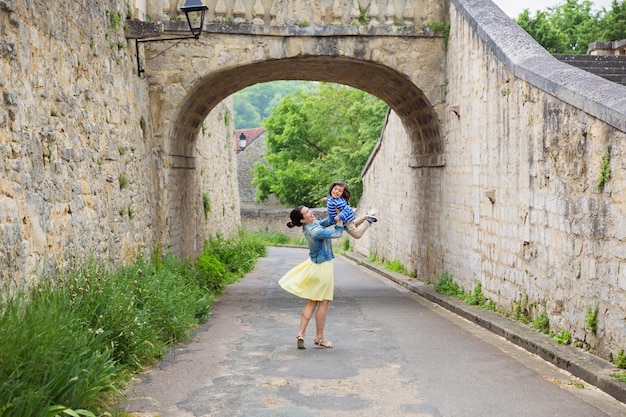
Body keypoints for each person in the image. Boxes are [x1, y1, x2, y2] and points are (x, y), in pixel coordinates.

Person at [278, 205, 344, 349]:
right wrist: (342, 221)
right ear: (302, 220)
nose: (311, 212)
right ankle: (319, 338)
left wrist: (337, 213)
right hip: (323, 268)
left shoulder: (310, 226)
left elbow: (327, 222)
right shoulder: (315, 231)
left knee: (312, 302)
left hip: (314, 267)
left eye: (309, 210)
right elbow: (338, 233)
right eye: (307, 212)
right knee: (324, 303)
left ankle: (301, 333)